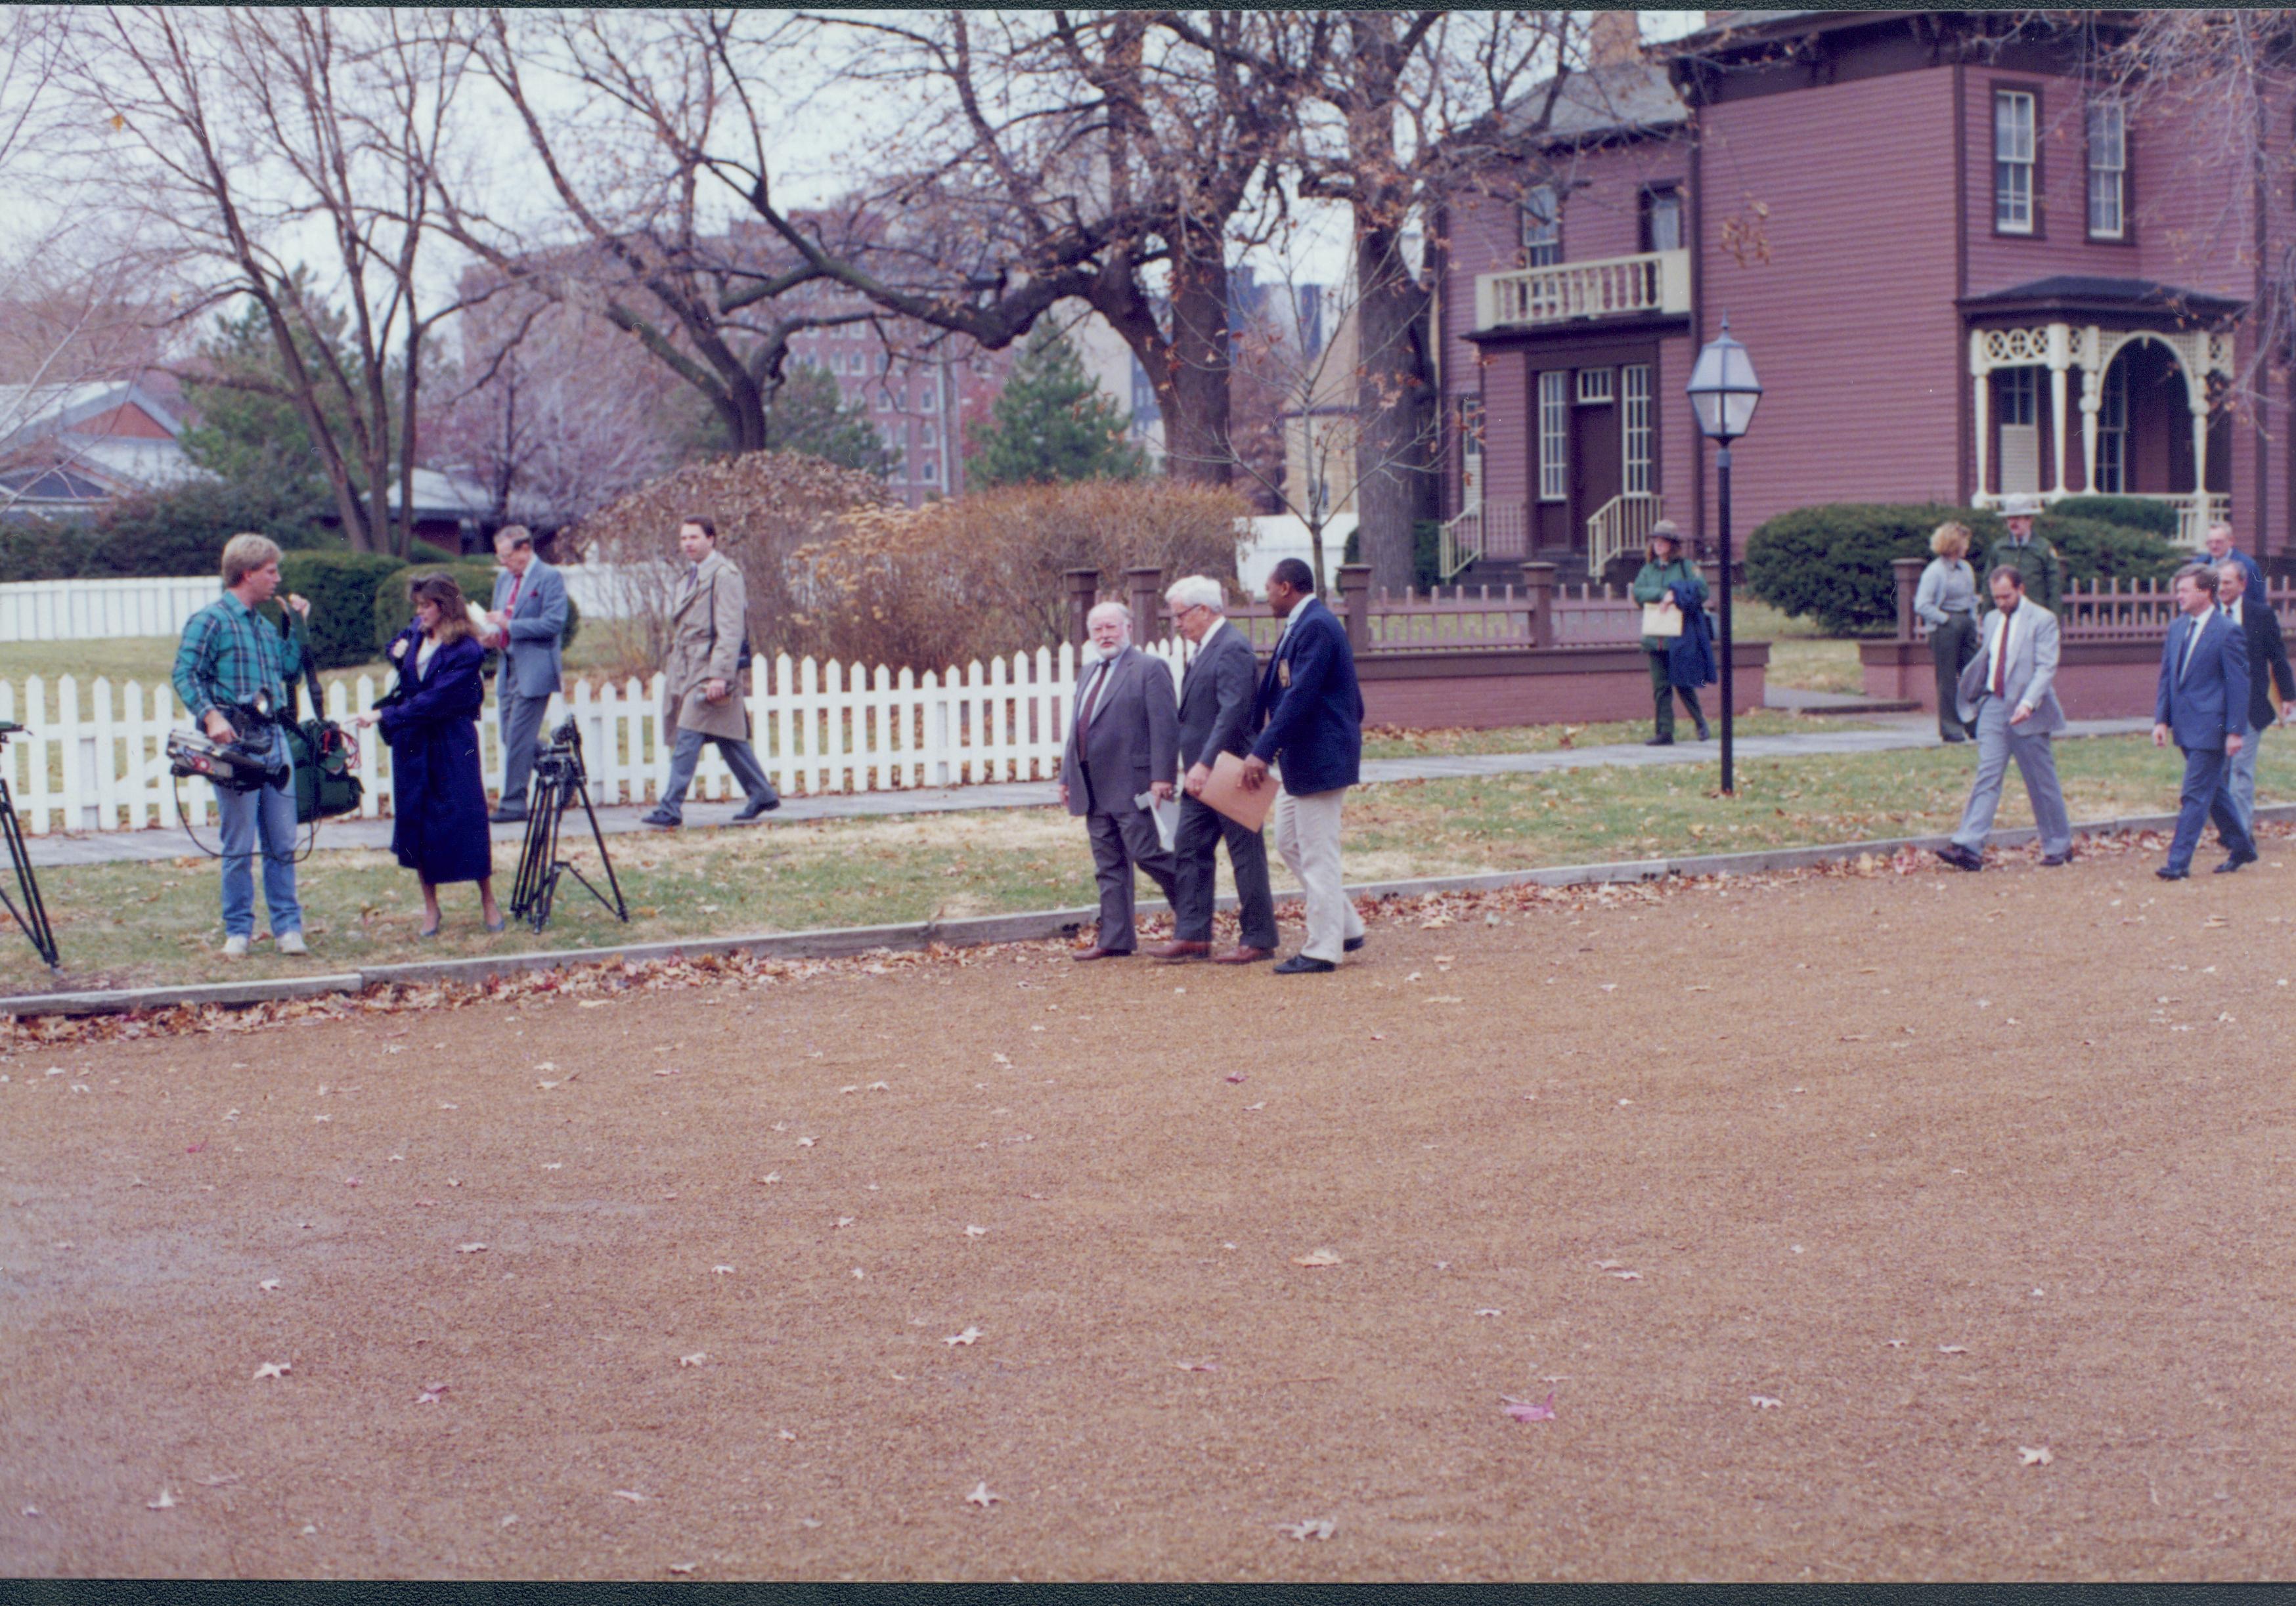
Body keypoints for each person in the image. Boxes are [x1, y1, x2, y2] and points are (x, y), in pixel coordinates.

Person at [171, 532, 313, 959]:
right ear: (247, 573)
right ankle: (238, 930)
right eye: (271, 571)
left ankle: (288, 929)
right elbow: (185, 673)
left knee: (283, 842)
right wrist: (211, 715)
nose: (277, 579)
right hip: (236, 747)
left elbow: (290, 671)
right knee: (238, 845)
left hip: (273, 740)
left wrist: (300, 624)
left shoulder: (264, 626)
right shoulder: (211, 620)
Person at [1241, 557, 1366, 975]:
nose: (1266, 594)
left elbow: (1301, 697)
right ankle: (1346, 926)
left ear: (1288, 587)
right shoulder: (1303, 624)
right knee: (1290, 844)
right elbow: (1280, 690)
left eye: (1270, 586)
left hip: (1320, 758)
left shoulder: (1315, 625)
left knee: (1318, 856)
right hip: (1305, 758)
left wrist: (1261, 750)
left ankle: (1322, 949)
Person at [359, 573, 503, 936]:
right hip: (414, 741)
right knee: (418, 819)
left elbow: (436, 698)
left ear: (445, 606)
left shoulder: (467, 650)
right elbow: (402, 652)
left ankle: (487, 900)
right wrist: (398, 652)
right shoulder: (418, 630)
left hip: (452, 740)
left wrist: (384, 714)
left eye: (427, 606)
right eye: (418, 606)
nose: (420, 612)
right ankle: (431, 908)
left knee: (466, 817)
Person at [1150, 575, 1279, 965]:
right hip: (1201, 774)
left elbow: (1234, 712)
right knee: (1189, 848)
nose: (1177, 623)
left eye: (1181, 615)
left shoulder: (1232, 648)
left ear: (1204, 611)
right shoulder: (1208, 647)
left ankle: (1258, 937)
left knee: (1245, 855)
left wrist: (1204, 763)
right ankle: (1193, 934)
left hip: (1230, 771)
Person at [1058, 600, 1180, 961]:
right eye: (1098, 629)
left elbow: (1165, 726)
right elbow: (1077, 728)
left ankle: (1193, 919)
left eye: (1111, 627)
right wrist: (1067, 776)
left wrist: (1162, 777)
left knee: (1148, 853)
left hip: (1135, 784)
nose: (1105, 635)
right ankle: (1115, 938)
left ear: (1128, 628)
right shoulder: (1089, 671)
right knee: (1108, 864)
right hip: (1092, 786)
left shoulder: (1149, 668)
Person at [642, 516, 781, 829]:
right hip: (687, 667)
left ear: (711, 539)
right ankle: (761, 793)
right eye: (683, 538)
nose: (688, 543)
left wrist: (720, 676)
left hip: (710, 668)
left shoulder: (725, 575)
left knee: (688, 733)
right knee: (728, 737)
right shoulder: (688, 577)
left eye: (694, 537)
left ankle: (670, 807)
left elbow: (731, 630)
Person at [1934, 565, 2073, 873]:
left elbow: (2046, 668)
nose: (2001, 603)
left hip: (2028, 709)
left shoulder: (2043, 620)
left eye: (2006, 596)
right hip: (1994, 705)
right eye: (1996, 597)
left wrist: (2028, 702)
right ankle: (1969, 846)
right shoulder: (1994, 619)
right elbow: (1990, 658)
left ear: (2021, 590)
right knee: (1988, 774)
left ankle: (2059, 845)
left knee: (2041, 781)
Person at [2153, 562, 2257, 879]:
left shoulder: (2227, 631)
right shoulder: (2176, 628)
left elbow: (2239, 685)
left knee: (2195, 792)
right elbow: (2168, 677)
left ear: (2205, 592)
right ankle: (2242, 846)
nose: (2178, 596)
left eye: (2185, 590)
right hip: (2185, 726)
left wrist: (2236, 731)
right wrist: (2161, 721)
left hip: (2213, 728)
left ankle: (2178, 863)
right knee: (2213, 791)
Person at [483, 525, 568, 824]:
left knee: (519, 737)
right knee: (509, 736)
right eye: (500, 556)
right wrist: (492, 635)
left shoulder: (549, 577)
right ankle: (560, 766)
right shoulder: (504, 579)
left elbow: (554, 624)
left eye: (507, 555)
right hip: (508, 666)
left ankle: (514, 803)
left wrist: (509, 626)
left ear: (524, 549)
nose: (503, 562)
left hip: (536, 668)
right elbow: (498, 621)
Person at [2216, 559, 2295, 835]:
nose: (2221, 588)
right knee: (2221, 772)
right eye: (2218, 582)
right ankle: (2228, 831)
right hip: (2216, 708)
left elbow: (2278, 657)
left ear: (2242, 584)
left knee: (2241, 772)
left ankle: (2241, 836)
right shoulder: (2209, 614)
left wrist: (2288, 695)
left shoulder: (2261, 615)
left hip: (2251, 706)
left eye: (2227, 582)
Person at [1629, 519, 1710, 746]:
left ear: (1673, 544)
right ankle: (1665, 732)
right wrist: (1662, 593)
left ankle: (1700, 721)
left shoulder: (1686, 567)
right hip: (1655, 638)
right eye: (1656, 540)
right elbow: (1639, 592)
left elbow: (1702, 591)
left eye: (1664, 541)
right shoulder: (1648, 569)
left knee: (1683, 682)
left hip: (1679, 636)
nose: (1659, 544)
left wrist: (1675, 594)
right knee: (1660, 687)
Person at [1915, 520, 1982, 743]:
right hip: (1945, 627)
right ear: (1954, 543)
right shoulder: (1935, 572)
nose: (1967, 546)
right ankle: (1950, 727)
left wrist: (1972, 622)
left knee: (1971, 676)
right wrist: (1946, 619)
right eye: (1964, 542)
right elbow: (1922, 605)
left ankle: (1973, 724)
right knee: (1947, 679)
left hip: (1966, 623)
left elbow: (1971, 598)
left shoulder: (1966, 569)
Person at [1992, 492, 2062, 615]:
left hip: (2035, 614)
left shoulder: (2043, 548)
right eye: (2010, 518)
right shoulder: (1999, 548)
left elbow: (2054, 588)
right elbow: (1989, 584)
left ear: (2029, 520)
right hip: (2006, 614)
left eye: (2018, 518)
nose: (2013, 523)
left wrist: (2054, 620)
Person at [2203, 521, 2267, 603]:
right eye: (2210, 542)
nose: (2214, 546)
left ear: (2231, 541)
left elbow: (2258, 600)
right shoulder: (2200, 564)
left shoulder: (2248, 566)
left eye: (2218, 542)